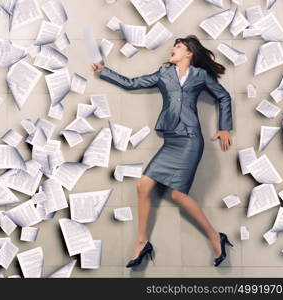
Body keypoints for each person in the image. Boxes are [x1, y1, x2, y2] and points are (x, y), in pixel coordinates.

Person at [91, 35, 234, 268]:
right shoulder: (163, 74)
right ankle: (142, 242)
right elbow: (131, 83)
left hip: (190, 140)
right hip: (170, 140)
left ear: (189, 53)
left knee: (178, 195)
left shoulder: (200, 76)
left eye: (179, 47)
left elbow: (223, 96)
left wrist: (224, 127)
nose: (173, 49)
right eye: (174, 46)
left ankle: (215, 235)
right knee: (142, 185)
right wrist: (104, 71)